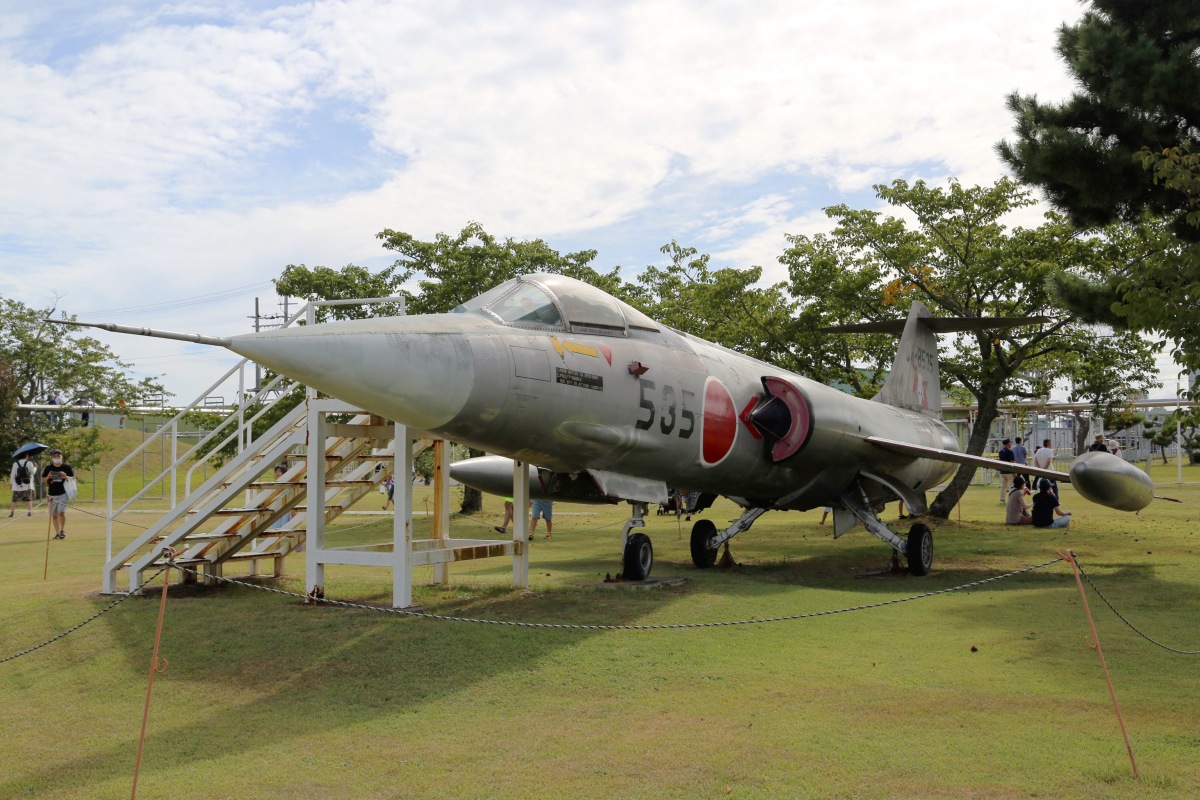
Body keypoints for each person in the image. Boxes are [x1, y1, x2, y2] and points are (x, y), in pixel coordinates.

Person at [41, 448, 74, 539]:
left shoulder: (66, 467)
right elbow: (43, 480)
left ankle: (62, 530)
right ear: (51, 457)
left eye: (58, 455)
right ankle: (57, 533)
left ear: (61, 456)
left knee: (61, 513)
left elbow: (73, 477)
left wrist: (65, 476)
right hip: (51, 495)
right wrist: (48, 477)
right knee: (54, 515)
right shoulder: (48, 468)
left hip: (63, 494)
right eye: (54, 456)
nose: (56, 457)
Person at [997, 438, 1016, 502]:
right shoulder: (1010, 451)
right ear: (1008, 444)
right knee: (1011, 486)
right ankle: (1011, 499)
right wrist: (1014, 472)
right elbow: (1012, 462)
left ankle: (1002, 499)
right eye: (1010, 443)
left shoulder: (1000, 452)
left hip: (1002, 471)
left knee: (1003, 486)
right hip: (1009, 471)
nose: (1010, 444)